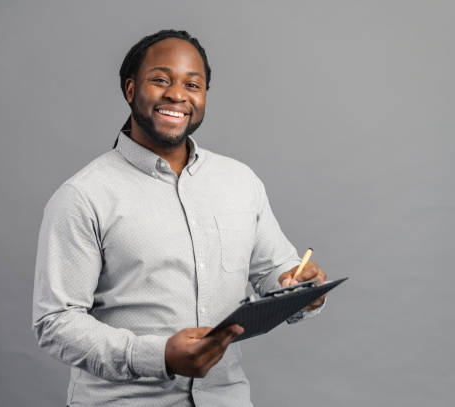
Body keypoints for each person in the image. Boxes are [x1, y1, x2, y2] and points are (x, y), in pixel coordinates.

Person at [32, 29, 327, 407]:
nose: (177, 94)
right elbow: (55, 323)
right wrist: (160, 357)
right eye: (160, 80)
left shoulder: (240, 181)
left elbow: (275, 271)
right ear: (129, 89)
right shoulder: (83, 196)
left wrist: (301, 289)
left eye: (193, 84)